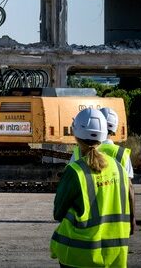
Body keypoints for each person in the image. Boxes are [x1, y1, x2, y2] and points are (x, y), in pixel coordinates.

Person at [51, 108, 133, 267]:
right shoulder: (119, 168)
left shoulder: (75, 171)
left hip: (80, 254)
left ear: (76, 134)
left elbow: (58, 213)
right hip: (114, 254)